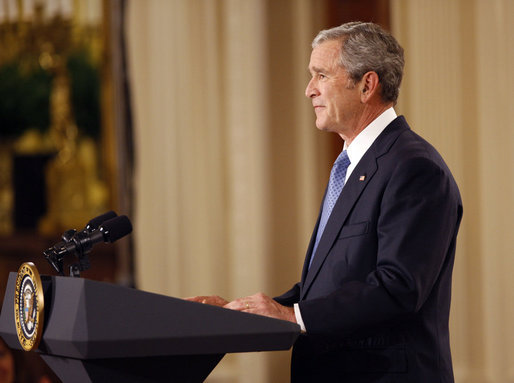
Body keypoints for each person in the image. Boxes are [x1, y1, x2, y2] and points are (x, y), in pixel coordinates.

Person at [188, 21, 462, 382]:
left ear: (367, 85)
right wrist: (244, 313)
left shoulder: (414, 168)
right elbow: (335, 283)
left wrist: (294, 317)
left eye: (320, 75)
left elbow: (399, 287)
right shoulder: (353, 165)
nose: (308, 90)